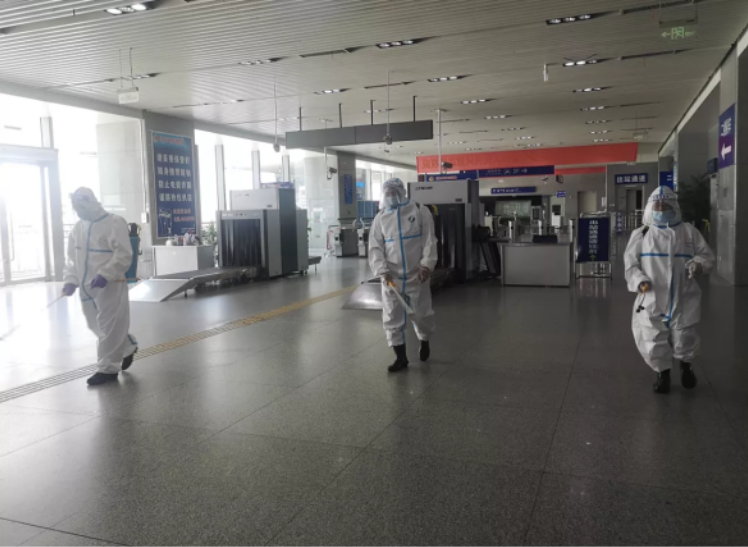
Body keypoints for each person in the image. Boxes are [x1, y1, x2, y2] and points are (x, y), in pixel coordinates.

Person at [624, 185, 715, 393]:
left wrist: (698, 264)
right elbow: (631, 265)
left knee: (685, 335)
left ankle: (686, 366)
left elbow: (706, 256)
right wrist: (639, 280)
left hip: (684, 295)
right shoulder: (642, 234)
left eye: (665, 205)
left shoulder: (689, 232)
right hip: (652, 296)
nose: (661, 208)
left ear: (674, 206)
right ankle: (662, 374)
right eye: (657, 205)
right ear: (650, 207)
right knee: (652, 336)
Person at [62, 188, 138, 386]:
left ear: (91, 203)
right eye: (76, 208)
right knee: (95, 325)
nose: (79, 211)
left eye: (81, 207)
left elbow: (123, 254)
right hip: (87, 287)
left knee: (109, 325)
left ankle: (108, 369)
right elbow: (72, 258)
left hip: (110, 285)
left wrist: (106, 274)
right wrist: (70, 279)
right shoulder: (78, 228)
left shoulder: (114, 223)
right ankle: (127, 346)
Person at [369, 178, 438, 372]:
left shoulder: (419, 210)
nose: (391, 196)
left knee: (422, 315)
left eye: (394, 192)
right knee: (392, 317)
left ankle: (424, 340)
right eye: (387, 193)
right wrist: (382, 271)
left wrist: (426, 265)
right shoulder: (380, 218)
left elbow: (429, 240)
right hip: (392, 278)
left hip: (417, 275)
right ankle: (401, 358)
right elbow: (375, 248)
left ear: (402, 192)